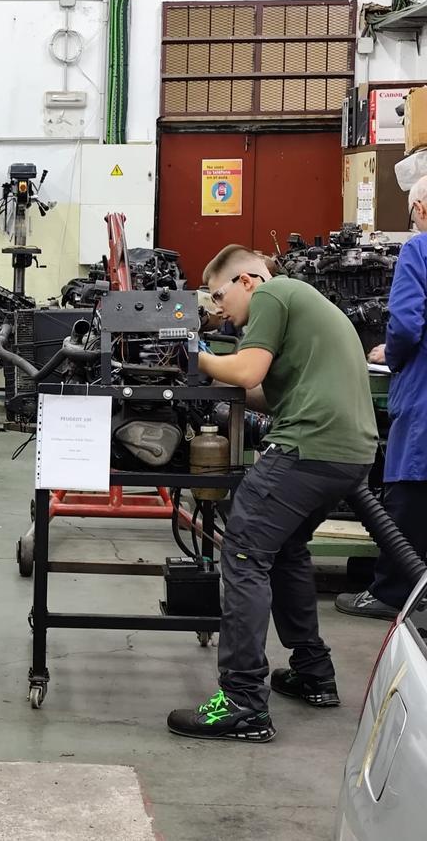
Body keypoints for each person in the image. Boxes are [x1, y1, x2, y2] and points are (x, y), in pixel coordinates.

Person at [166, 245, 378, 742]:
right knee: (284, 553)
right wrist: (212, 366)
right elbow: (262, 391)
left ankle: (241, 702)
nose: (219, 310)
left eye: (219, 296)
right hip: (347, 453)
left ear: (245, 281)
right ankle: (313, 674)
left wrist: (192, 354)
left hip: (308, 447)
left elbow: (246, 373)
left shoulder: (274, 293)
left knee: (242, 553)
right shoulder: (306, 303)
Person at [336, 175, 427, 619]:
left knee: (409, 491)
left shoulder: (419, 249)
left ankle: (393, 593)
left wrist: (388, 353)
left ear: (422, 210)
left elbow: (407, 325)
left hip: (424, 397)